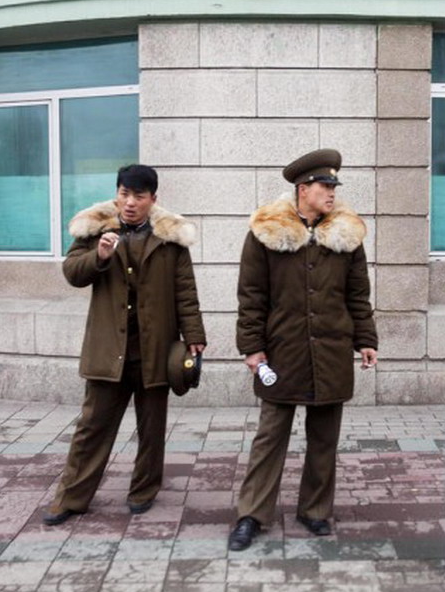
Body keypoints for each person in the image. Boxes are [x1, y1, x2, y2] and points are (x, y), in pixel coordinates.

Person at [227, 148, 379, 551]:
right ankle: (251, 515)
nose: (331, 192)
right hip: (281, 352)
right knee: (269, 437)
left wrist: (366, 339)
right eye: (324, 185)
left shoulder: (347, 235)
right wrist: (252, 347)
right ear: (302, 188)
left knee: (325, 438)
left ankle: (315, 511)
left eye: (333, 186)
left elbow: (358, 295)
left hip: (331, 351)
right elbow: (251, 296)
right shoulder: (265, 232)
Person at [42, 164, 206, 525]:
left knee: (152, 429)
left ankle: (144, 491)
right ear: (117, 194)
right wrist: (98, 256)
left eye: (139, 196)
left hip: (155, 349)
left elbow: (185, 292)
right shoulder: (95, 229)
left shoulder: (170, 238)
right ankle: (71, 497)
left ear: (153, 200)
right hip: (108, 350)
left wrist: (194, 336)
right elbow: (72, 273)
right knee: (92, 427)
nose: (130, 203)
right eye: (124, 194)